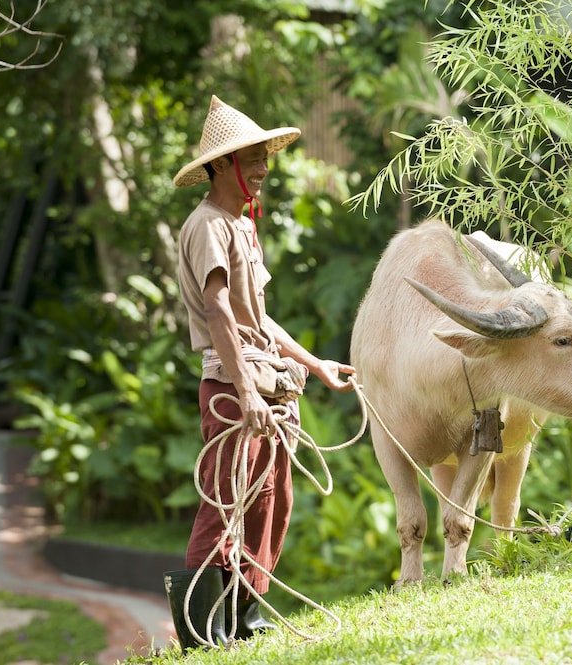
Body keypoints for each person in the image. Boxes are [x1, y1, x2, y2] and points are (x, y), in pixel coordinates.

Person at [163, 94, 355, 651]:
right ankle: (203, 632)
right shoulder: (206, 227)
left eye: (264, 155)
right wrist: (244, 390)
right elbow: (220, 311)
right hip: (233, 385)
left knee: (271, 499)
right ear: (219, 165)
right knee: (225, 501)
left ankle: (246, 615)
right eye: (251, 156)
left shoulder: (242, 225)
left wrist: (315, 365)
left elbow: (258, 317)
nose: (263, 166)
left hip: (270, 382)